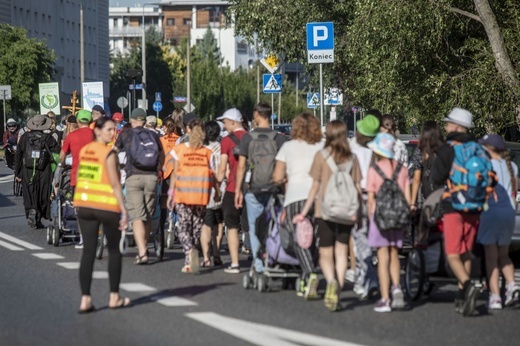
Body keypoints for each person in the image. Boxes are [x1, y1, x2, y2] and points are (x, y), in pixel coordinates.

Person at [293, 120, 362, 311]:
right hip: (347, 211)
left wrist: (303, 213)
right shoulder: (352, 158)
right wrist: (361, 212)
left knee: (325, 252)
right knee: (342, 252)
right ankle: (337, 290)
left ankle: (330, 281)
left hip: (325, 211)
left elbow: (315, 187)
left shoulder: (321, 156)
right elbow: (357, 188)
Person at [73, 117, 130, 313]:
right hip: (106, 206)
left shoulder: (85, 151)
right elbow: (115, 184)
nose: (112, 133)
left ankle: (85, 299)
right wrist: (124, 211)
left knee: (88, 252)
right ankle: (114, 296)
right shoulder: (109, 153)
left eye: (114, 130)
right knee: (114, 251)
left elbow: (82, 175)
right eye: (108, 130)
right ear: (96, 130)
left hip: (85, 205)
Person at [431, 108, 481, 316]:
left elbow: (436, 178)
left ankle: (468, 285)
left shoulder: (447, 148)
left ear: (457, 126)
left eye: (449, 123)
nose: (446, 126)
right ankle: (462, 297)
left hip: (453, 206)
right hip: (475, 206)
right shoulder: (478, 148)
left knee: (452, 254)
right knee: (466, 253)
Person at [273, 112, 323, 299]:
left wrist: (284, 178)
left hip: (296, 197)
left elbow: (277, 177)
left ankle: (310, 274)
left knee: (300, 239)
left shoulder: (288, 147)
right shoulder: (322, 146)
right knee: (316, 239)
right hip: (319, 197)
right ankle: (306, 276)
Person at [235, 102, 286, 275]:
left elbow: (241, 166)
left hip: (253, 188)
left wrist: (238, 191)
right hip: (274, 188)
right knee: (273, 226)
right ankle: (272, 259)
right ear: (270, 115)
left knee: (255, 226)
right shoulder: (278, 138)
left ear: (257, 115)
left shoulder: (248, 138)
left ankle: (259, 264)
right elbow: (283, 166)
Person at [366, 133, 411, 312]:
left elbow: (370, 199)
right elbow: (407, 198)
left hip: (380, 218)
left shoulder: (374, 170)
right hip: (398, 217)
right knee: (394, 254)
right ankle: (397, 287)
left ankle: (385, 299)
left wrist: (370, 218)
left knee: (382, 256)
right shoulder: (403, 170)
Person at [114, 108, 163, 265]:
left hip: (133, 176)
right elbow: (161, 155)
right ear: (144, 121)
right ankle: (145, 245)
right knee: (148, 214)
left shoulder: (126, 134)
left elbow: (114, 152)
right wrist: (158, 169)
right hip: (152, 177)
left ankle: (142, 252)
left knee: (137, 215)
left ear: (132, 120)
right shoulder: (154, 135)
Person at [477, 134, 520, 309]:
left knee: (491, 257)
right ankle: (512, 286)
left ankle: (495, 296)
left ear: (490, 149)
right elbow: (514, 193)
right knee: (504, 254)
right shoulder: (513, 167)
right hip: (509, 213)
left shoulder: (486, 166)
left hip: (491, 212)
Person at [167, 119, 214, 273]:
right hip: (201, 196)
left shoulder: (180, 149)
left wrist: (170, 194)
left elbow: (174, 173)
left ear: (188, 131)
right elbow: (211, 175)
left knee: (183, 227)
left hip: (183, 195)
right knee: (196, 227)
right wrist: (217, 192)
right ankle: (189, 260)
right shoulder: (207, 152)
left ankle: (189, 250)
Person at [348, 114, 380, 299]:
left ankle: (367, 279)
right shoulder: (376, 152)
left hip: (358, 197)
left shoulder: (353, 151)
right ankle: (367, 278)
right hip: (375, 198)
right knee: (368, 240)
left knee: (360, 240)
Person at [216, 108, 249, 273]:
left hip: (232, 188)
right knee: (254, 226)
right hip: (253, 187)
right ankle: (259, 260)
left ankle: (235, 263)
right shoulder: (252, 137)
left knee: (232, 226)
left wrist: (216, 184)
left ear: (233, 122)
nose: (223, 125)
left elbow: (222, 169)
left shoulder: (227, 141)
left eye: (225, 122)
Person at [14, 114, 60, 228]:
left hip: (27, 168)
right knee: (42, 192)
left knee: (29, 192)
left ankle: (31, 209)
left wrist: (18, 172)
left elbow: (18, 155)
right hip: (44, 169)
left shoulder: (24, 137)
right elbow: (57, 152)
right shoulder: (48, 138)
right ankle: (39, 216)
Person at [59, 110, 95, 248]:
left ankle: (83, 238)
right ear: (91, 121)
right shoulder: (96, 135)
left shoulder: (71, 136)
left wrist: (62, 164)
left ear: (78, 122)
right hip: (95, 176)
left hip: (78, 176)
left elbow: (62, 156)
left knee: (80, 209)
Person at [201, 121, 225, 267]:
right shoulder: (221, 148)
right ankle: (216, 253)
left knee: (206, 225)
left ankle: (206, 256)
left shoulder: (201, 149)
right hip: (221, 189)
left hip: (205, 190)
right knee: (219, 223)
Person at [409, 121, 444, 210]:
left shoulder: (420, 150)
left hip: (427, 197)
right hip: (443, 195)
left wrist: (412, 203)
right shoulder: (445, 149)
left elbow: (416, 179)